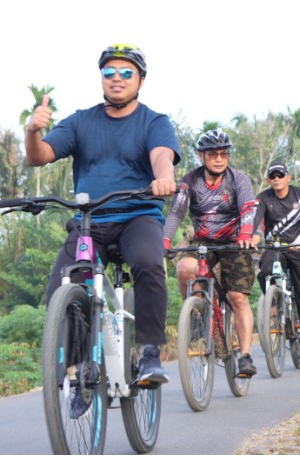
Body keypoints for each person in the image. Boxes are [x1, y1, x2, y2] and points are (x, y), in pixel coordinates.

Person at [25, 44, 179, 392]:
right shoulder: (81, 121)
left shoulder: (154, 122)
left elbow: (161, 156)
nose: (116, 79)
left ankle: (150, 351)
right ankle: (80, 371)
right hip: (90, 222)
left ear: (140, 80)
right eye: (109, 73)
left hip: (137, 216)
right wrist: (33, 131)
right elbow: (40, 156)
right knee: (62, 287)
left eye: (126, 73)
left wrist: (163, 176)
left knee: (149, 263)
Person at [163, 130, 258, 377]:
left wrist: (246, 233)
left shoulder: (239, 179)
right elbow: (176, 212)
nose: (219, 159)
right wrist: (164, 239)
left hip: (234, 242)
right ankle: (195, 314)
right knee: (184, 268)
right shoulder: (190, 181)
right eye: (213, 154)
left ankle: (246, 356)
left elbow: (248, 208)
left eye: (223, 154)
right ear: (201, 156)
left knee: (238, 297)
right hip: (202, 240)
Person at [251, 161, 300, 360]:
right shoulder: (263, 198)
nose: (276, 179)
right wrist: (253, 239)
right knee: (265, 272)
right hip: (276, 248)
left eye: (280, 175)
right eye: (273, 176)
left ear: (288, 177)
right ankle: (275, 305)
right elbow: (256, 221)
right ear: (268, 180)